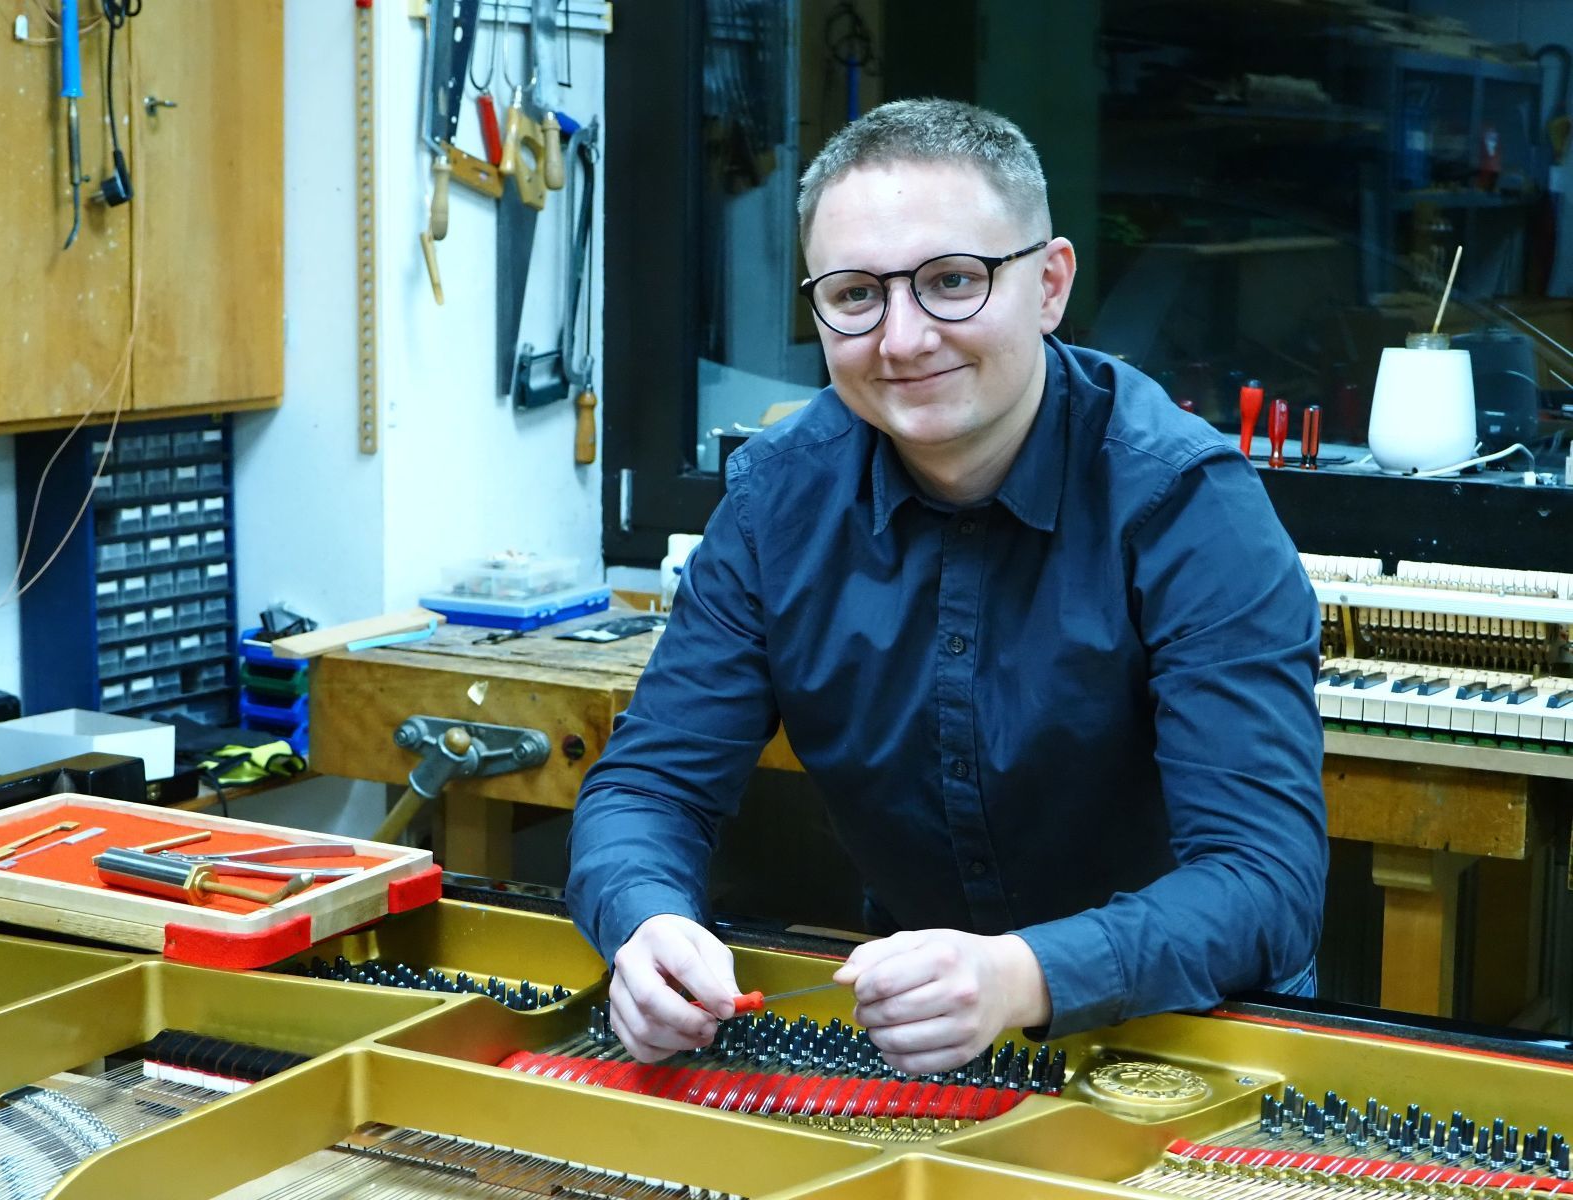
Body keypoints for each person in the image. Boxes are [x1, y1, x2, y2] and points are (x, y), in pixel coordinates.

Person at [566, 98, 1326, 1074]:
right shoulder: (777, 500)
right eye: (855, 296)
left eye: (952, 282)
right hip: (925, 1051)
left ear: (1049, 285)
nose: (903, 339)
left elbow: (1264, 881)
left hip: (1193, 1048)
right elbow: (648, 787)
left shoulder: (1187, 506)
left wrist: (1024, 976)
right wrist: (645, 926)